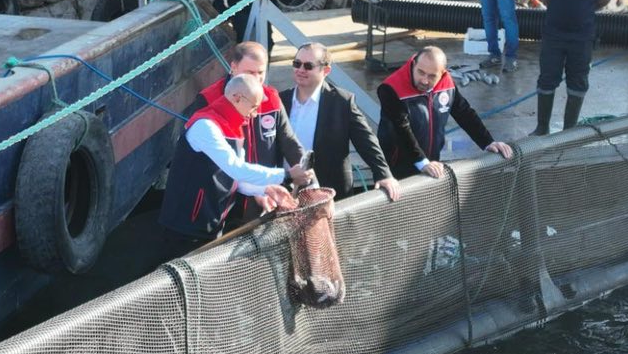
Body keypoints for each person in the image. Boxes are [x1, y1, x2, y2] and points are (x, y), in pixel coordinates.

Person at [157, 73, 310, 259]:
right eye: (254, 106)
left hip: (211, 225)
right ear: (237, 98)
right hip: (184, 228)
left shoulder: (234, 128)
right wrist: (285, 175)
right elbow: (235, 168)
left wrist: (267, 190)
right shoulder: (205, 126)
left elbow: (238, 178)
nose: (254, 114)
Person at [282, 42, 398, 201]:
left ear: (326, 70)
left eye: (308, 66)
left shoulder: (342, 101)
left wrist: (383, 174)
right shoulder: (280, 100)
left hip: (328, 191)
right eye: (297, 64)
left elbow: (366, 141)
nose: (301, 70)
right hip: (286, 191)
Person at [377, 46, 513, 181]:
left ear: (442, 73)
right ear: (413, 65)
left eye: (431, 76)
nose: (424, 80)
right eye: (421, 72)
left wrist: (488, 142)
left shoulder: (446, 83)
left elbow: (464, 113)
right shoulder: (391, 89)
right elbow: (402, 129)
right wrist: (422, 162)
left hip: (431, 161)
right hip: (395, 166)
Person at [531, 0, 613, 135]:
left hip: (582, 37)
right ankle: (542, 128)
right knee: (547, 79)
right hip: (554, 35)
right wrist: (559, 8)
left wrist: (584, 10)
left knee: (577, 82)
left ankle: (569, 131)